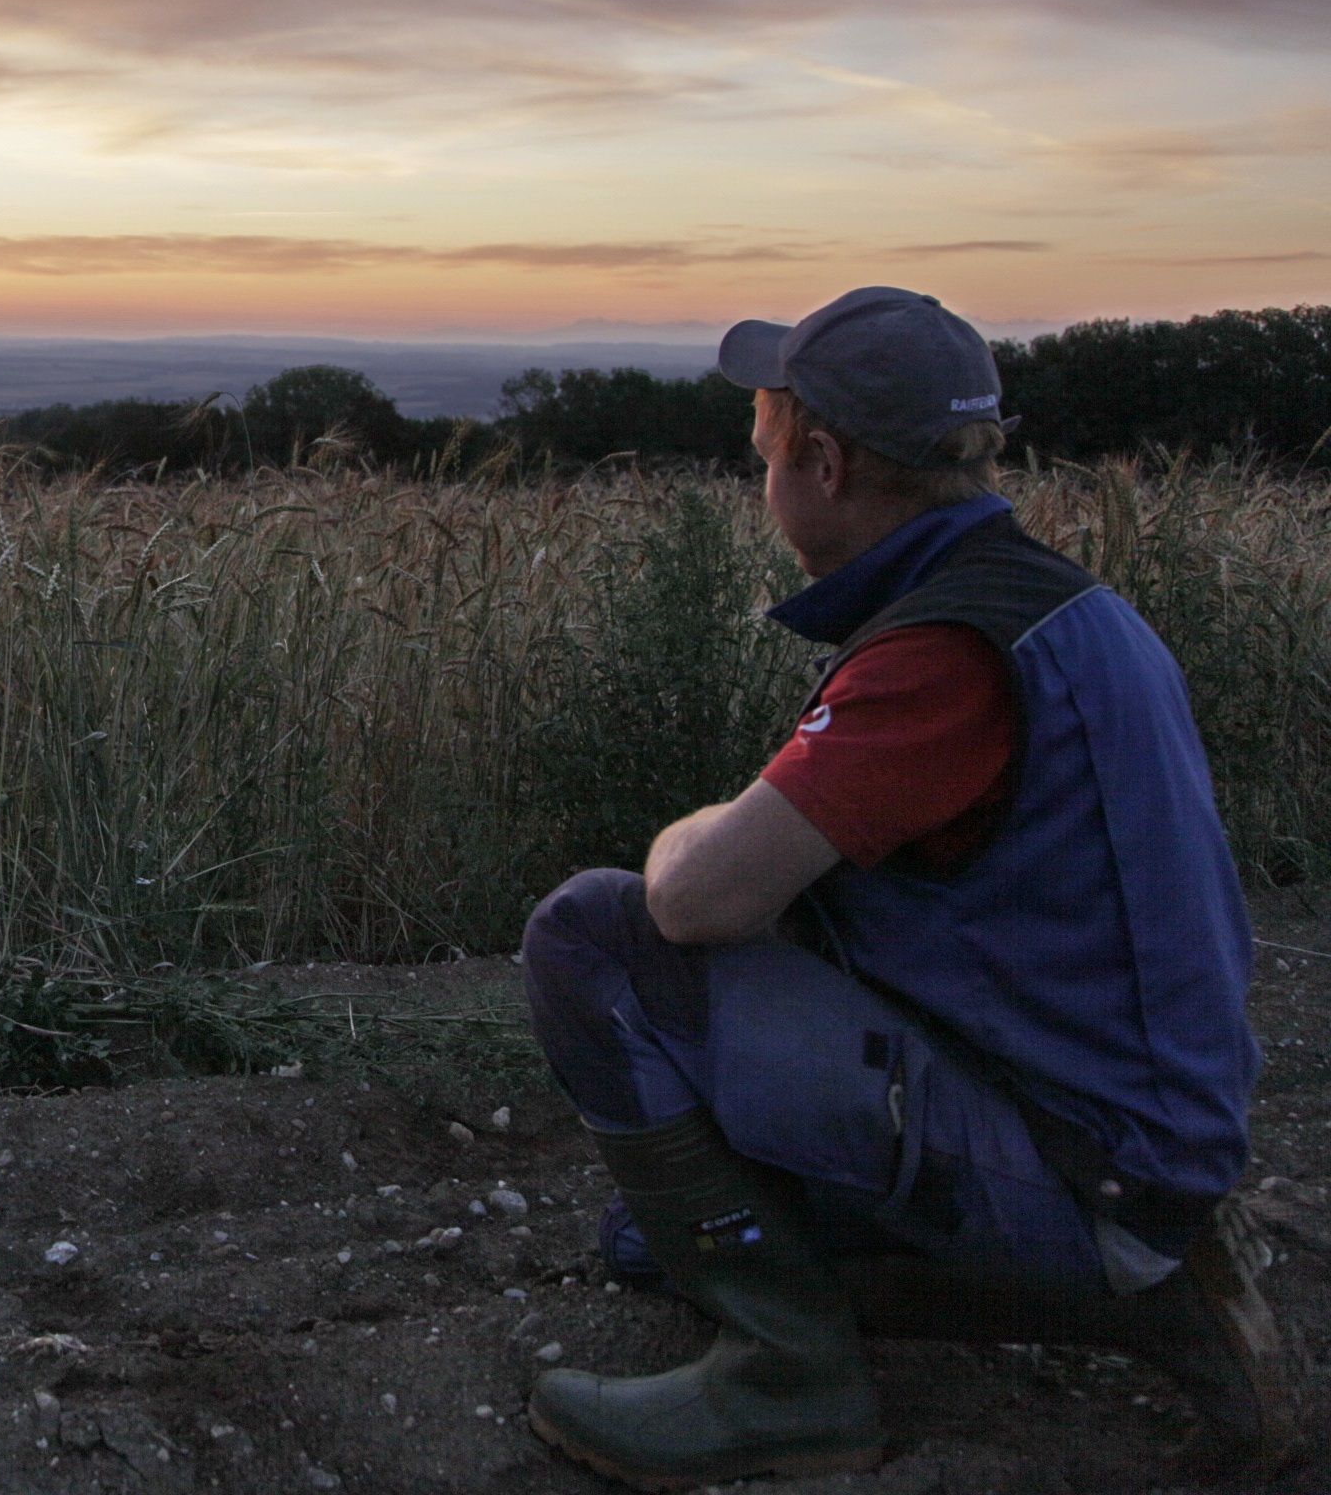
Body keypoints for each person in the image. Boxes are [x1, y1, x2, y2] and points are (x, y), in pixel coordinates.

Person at [516, 286, 1302, 1489]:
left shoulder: (944, 655)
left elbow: (699, 902)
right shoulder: (1058, 606)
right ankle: (1150, 1292)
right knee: (652, 1242)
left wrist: (688, 833)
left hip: (1085, 1154)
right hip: (1143, 1128)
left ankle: (792, 1383)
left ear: (823, 463)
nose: (763, 477)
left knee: (595, 934)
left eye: (766, 452)